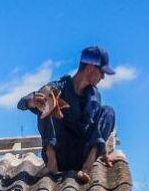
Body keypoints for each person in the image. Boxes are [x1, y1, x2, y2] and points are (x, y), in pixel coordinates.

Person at [17, 46, 118, 183]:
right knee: (49, 100)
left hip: (81, 154)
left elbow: (97, 130)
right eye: (101, 72)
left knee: (109, 111)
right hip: (60, 154)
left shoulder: (95, 96)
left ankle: (86, 168)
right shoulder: (59, 86)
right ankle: (51, 164)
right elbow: (22, 102)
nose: (103, 77)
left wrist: (104, 152)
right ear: (90, 68)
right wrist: (32, 102)